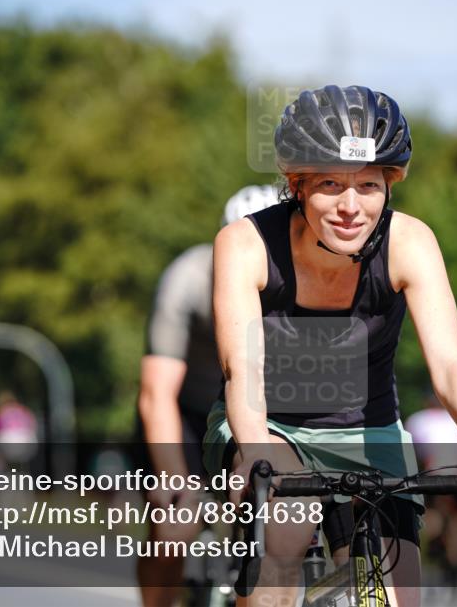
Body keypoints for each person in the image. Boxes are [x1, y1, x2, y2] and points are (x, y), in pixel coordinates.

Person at [205, 85, 457, 607]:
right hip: (265, 422)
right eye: (330, 184)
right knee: (286, 530)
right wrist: (258, 450)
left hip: (368, 428)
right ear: (295, 185)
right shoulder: (245, 245)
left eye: (368, 186)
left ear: (390, 185)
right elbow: (240, 369)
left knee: (397, 594)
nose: (350, 207)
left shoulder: (411, 243)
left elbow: (450, 364)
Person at [135, 185, 280, 607]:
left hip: (256, 413)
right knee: (174, 528)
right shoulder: (188, 279)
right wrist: (173, 478)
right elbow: (156, 393)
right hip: (184, 411)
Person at [405, 402, 457, 603]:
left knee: (450, 524)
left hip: (441, 477)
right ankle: (451, 565)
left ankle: (451, 565)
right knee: (454, 525)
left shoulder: (418, 420)